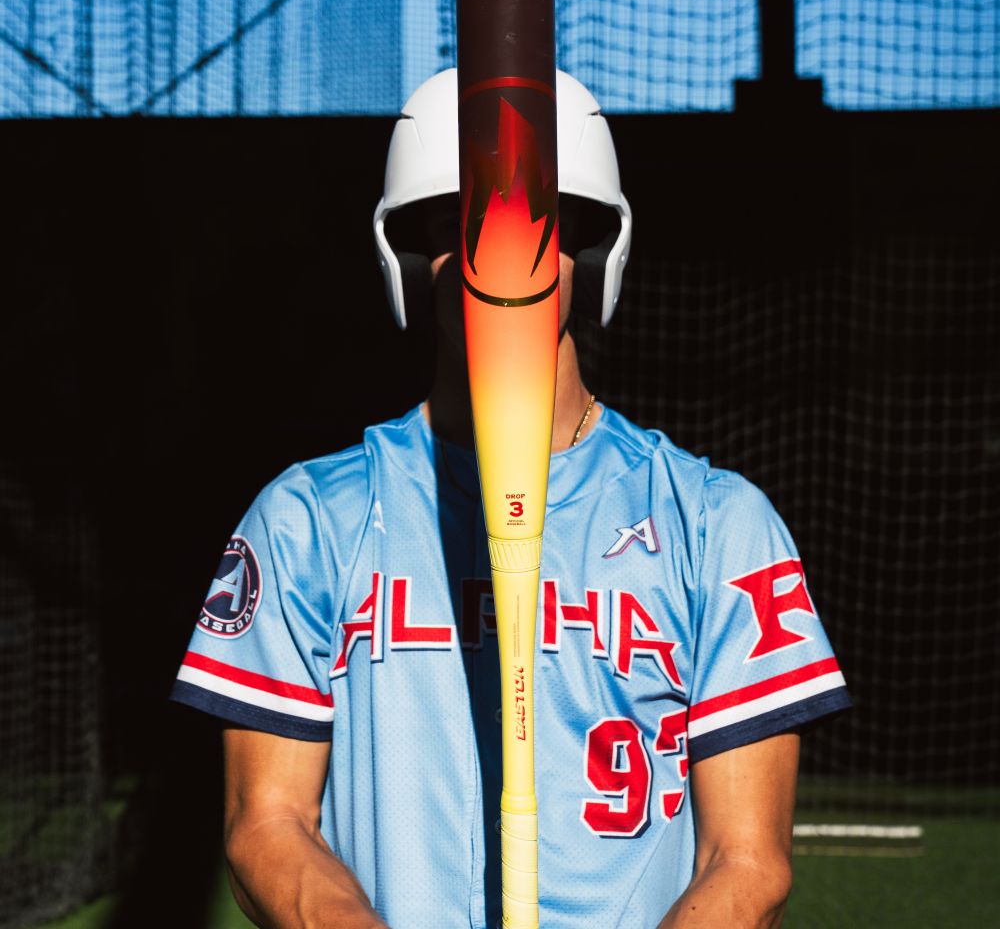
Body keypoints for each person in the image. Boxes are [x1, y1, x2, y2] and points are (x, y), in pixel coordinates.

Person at [171, 69, 850, 929]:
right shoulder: (309, 521)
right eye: (457, 223)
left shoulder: (717, 525)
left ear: (595, 251)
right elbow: (266, 825)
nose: (498, 253)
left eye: (536, 222)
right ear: (408, 258)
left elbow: (745, 863)